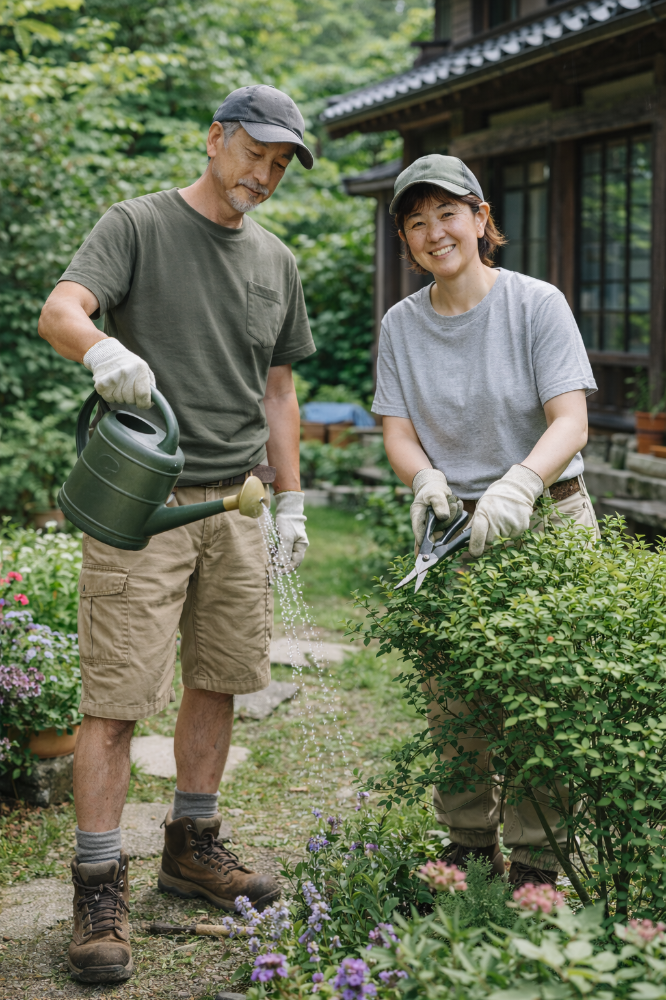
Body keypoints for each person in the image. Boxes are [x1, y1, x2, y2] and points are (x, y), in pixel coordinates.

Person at [38, 85, 316, 984]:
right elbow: (61, 310)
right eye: (256, 154)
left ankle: (192, 845)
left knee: (222, 679)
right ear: (215, 140)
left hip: (236, 504)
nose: (264, 175)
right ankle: (97, 885)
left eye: (280, 164)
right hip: (143, 504)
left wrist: (294, 500)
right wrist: (101, 350)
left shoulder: (277, 262)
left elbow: (279, 393)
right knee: (116, 700)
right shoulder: (138, 225)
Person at [373, 153, 598, 888]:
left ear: (480, 219)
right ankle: (469, 841)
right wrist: (425, 477)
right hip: (453, 528)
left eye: (447, 214)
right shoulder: (401, 326)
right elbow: (399, 431)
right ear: (407, 242)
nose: (434, 232)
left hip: (544, 518)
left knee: (542, 693)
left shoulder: (537, 304)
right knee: (456, 697)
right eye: (416, 222)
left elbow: (571, 420)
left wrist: (522, 483)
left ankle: (536, 859)